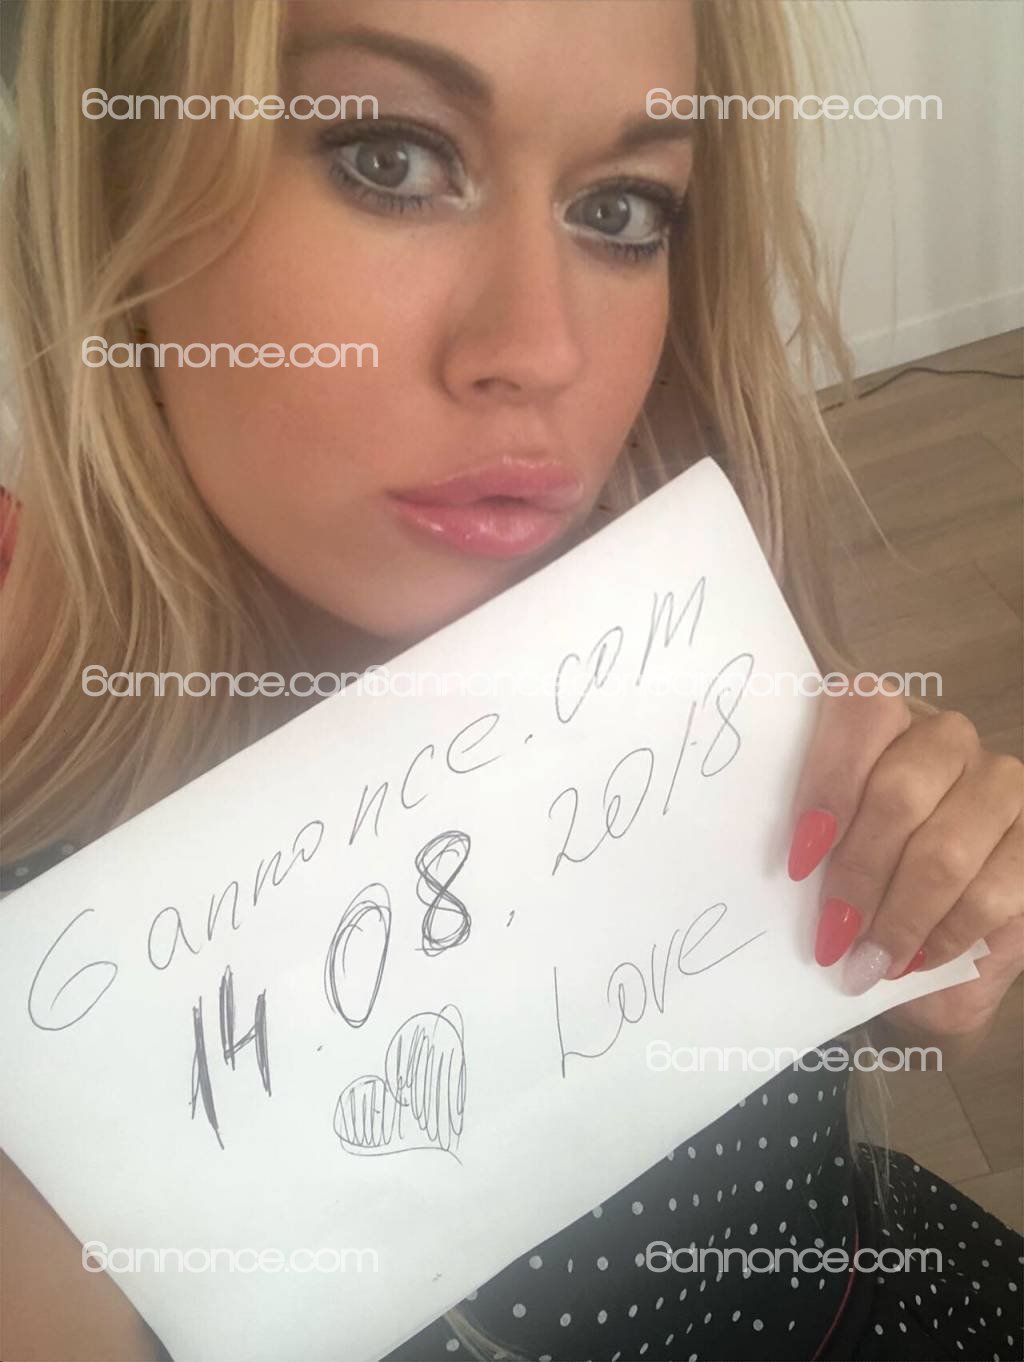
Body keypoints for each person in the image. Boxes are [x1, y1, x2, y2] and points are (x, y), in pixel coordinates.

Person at [0, 2, 1021, 1359]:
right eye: (390, 159)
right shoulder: (41, 960)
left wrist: (922, 916)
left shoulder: (685, 634)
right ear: (113, 194)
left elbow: (852, 1074)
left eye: (621, 209)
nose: (543, 349)